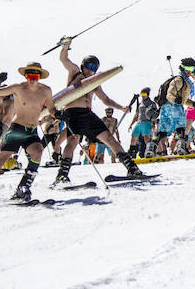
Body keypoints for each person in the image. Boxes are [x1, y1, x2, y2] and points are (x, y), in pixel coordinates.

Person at [0, 62, 57, 205]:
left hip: (31, 131)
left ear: (40, 77)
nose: (32, 78)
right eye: (29, 75)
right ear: (25, 76)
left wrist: (59, 114)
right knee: (1, 160)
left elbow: (51, 108)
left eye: (35, 75)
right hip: (17, 129)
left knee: (37, 152)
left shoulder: (46, 91)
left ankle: (23, 187)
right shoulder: (18, 87)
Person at [55, 39, 143, 182]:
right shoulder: (75, 72)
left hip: (87, 114)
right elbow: (63, 58)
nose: (91, 70)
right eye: (89, 66)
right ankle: (62, 175)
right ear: (83, 66)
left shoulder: (94, 82)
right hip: (72, 113)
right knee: (72, 140)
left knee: (109, 138)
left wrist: (121, 108)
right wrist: (66, 45)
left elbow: (105, 100)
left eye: (94, 68)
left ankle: (132, 168)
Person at [128, 88, 158, 157]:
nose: (143, 96)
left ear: (148, 94)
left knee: (146, 137)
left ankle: (149, 151)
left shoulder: (151, 104)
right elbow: (136, 115)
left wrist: (153, 124)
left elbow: (154, 115)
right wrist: (131, 124)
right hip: (139, 122)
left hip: (147, 122)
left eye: (144, 94)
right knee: (134, 137)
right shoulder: (140, 103)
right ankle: (132, 153)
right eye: (142, 94)